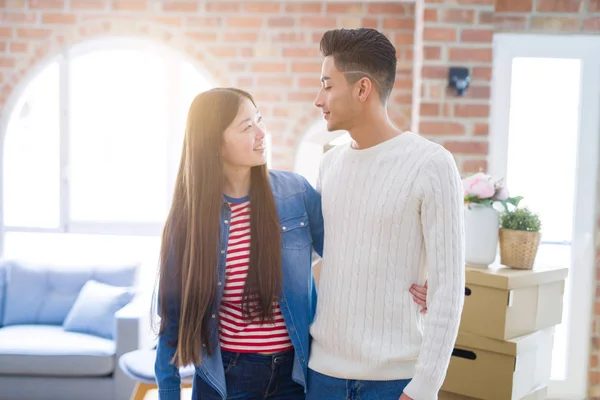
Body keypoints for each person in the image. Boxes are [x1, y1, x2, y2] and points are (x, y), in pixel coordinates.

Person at [152, 86, 432, 400]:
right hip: (227, 380)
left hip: (294, 376)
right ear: (214, 143)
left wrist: (415, 280)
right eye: (247, 127)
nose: (261, 133)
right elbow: (172, 322)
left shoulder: (294, 194)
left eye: (259, 120)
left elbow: (350, 255)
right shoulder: (188, 220)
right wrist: (169, 392)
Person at [306, 28, 465, 400]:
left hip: (395, 384)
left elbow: (448, 290)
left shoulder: (432, 164)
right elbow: (318, 259)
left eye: (327, 86)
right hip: (322, 376)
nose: (318, 99)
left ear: (362, 89)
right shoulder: (329, 165)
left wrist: (424, 388)